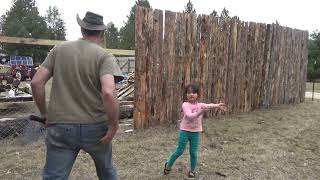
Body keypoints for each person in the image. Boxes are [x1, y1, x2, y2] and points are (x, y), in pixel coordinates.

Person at [31, 11, 123, 180]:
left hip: (61, 127)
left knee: (54, 176)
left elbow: (36, 83)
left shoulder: (58, 50)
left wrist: (45, 114)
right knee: (107, 171)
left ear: (82, 30)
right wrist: (113, 125)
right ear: (102, 33)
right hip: (96, 127)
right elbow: (109, 92)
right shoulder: (104, 56)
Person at [163, 83, 227, 178]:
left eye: (194, 92)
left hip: (196, 133)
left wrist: (218, 105)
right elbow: (190, 117)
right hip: (184, 131)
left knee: (193, 152)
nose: (191, 94)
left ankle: (192, 170)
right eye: (189, 92)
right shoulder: (185, 105)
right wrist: (201, 111)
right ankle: (168, 165)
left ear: (198, 94)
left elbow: (209, 105)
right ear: (186, 95)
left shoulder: (200, 105)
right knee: (179, 151)